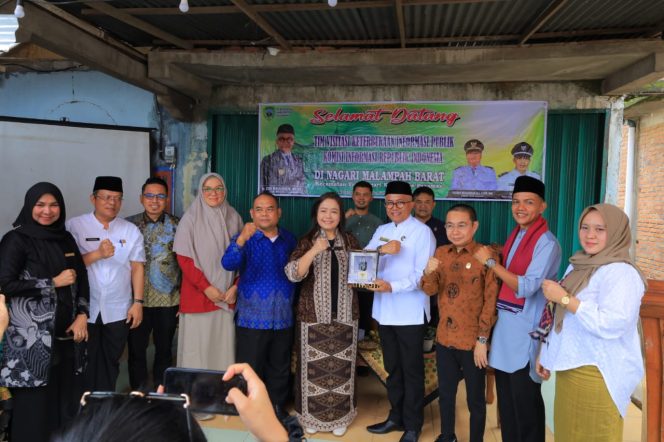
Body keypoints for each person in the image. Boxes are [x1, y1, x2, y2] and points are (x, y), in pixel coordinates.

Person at [535, 204, 646, 442]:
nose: (590, 235)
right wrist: (546, 353)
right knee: (567, 434)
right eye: (585, 227)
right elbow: (562, 319)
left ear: (616, 232)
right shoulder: (579, 265)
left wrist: (565, 299)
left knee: (595, 435)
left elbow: (613, 323)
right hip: (570, 368)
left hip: (598, 373)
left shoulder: (621, 273)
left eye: (600, 229)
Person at [474, 176, 561, 442]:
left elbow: (527, 286)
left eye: (529, 202)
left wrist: (491, 263)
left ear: (542, 206)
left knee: (526, 409)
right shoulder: (516, 236)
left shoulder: (546, 243)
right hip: (505, 333)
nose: (520, 207)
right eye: (516, 202)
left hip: (526, 334)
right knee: (509, 408)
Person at [0, 182, 90, 441]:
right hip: (30, 345)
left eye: (53, 205)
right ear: (30, 206)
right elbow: (5, 284)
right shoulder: (15, 240)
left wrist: (82, 314)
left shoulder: (65, 238)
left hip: (67, 340)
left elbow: (82, 279)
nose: (47, 211)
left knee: (62, 408)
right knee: (33, 412)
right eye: (40, 205)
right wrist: (52, 282)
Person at [420, 204, 499, 442]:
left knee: (475, 399)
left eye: (461, 225)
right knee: (446, 394)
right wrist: (428, 272)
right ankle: (447, 436)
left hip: (473, 342)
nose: (455, 231)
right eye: (450, 226)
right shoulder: (441, 253)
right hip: (445, 338)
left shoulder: (486, 256)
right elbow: (429, 290)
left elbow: (490, 302)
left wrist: (482, 340)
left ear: (474, 226)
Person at [365, 181, 436, 442]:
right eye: (389, 203)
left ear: (411, 204)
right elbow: (364, 258)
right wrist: (381, 249)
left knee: (411, 370)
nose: (394, 207)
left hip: (410, 313)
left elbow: (421, 276)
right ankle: (396, 417)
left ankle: (413, 425)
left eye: (400, 203)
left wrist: (391, 286)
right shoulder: (382, 230)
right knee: (393, 368)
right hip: (385, 311)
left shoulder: (422, 232)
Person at [284, 192, 360, 436]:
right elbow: (293, 274)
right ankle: (310, 417)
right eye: (323, 211)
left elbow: (363, 271)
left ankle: (340, 418)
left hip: (345, 316)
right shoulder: (307, 241)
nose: (328, 216)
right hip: (312, 317)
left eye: (334, 211)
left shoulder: (350, 241)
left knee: (342, 370)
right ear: (316, 214)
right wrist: (315, 249)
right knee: (311, 370)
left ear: (341, 216)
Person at [221, 191, 297, 421]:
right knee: (251, 366)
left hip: (282, 316)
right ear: (252, 213)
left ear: (278, 213)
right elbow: (228, 263)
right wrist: (241, 239)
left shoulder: (289, 239)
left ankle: (276, 407)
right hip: (251, 316)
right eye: (259, 209)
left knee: (280, 365)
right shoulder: (244, 238)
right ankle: (251, 409)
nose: (265, 214)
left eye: (270, 209)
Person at [67, 176, 145, 392]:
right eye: (107, 197)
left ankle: (105, 403)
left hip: (118, 308)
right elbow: (68, 266)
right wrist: (97, 254)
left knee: (112, 361)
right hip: (85, 309)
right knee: (84, 360)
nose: (113, 203)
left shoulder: (130, 230)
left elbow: (137, 267)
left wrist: (138, 302)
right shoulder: (75, 226)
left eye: (118, 198)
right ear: (93, 199)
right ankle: (85, 405)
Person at [173, 173, 242, 373]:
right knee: (198, 354)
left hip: (226, 297)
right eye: (208, 189)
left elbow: (243, 257)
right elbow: (184, 259)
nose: (214, 193)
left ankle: (221, 391)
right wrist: (206, 288)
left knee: (222, 352)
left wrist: (235, 286)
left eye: (218, 188)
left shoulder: (234, 217)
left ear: (224, 191)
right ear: (201, 192)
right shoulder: (190, 219)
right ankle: (196, 391)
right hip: (198, 297)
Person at [126, 177, 181, 390]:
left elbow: (185, 262)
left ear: (166, 199)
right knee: (136, 352)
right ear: (141, 198)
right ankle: (138, 395)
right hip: (135, 302)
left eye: (160, 196)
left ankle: (161, 394)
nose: (154, 200)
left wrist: (184, 297)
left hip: (168, 300)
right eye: (149, 195)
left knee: (164, 351)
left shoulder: (178, 225)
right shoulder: (128, 225)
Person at [345, 181, 383, 344]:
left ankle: (364, 346)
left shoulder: (378, 223)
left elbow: (383, 249)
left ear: (371, 198)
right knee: (347, 314)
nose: (361, 198)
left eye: (365, 195)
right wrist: (343, 219)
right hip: (345, 280)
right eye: (358, 194)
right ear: (353, 196)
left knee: (366, 314)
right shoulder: (342, 220)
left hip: (369, 280)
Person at [413, 186, 451, 328]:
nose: (423, 206)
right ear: (412, 203)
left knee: (433, 325)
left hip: (436, 285)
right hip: (410, 284)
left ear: (433, 204)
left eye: (427, 202)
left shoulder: (443, 228)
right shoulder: (404, 227)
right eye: (419, 202)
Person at [260, 124, 306, 194]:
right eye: (281, 139)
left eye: (289, 139)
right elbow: (261, 185)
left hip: (295, 198)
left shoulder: (299, 161)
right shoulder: (267, 160)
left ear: (293, 142)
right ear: (277, 141)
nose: (285, 142)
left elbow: (302, 185)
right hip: (274, 198)